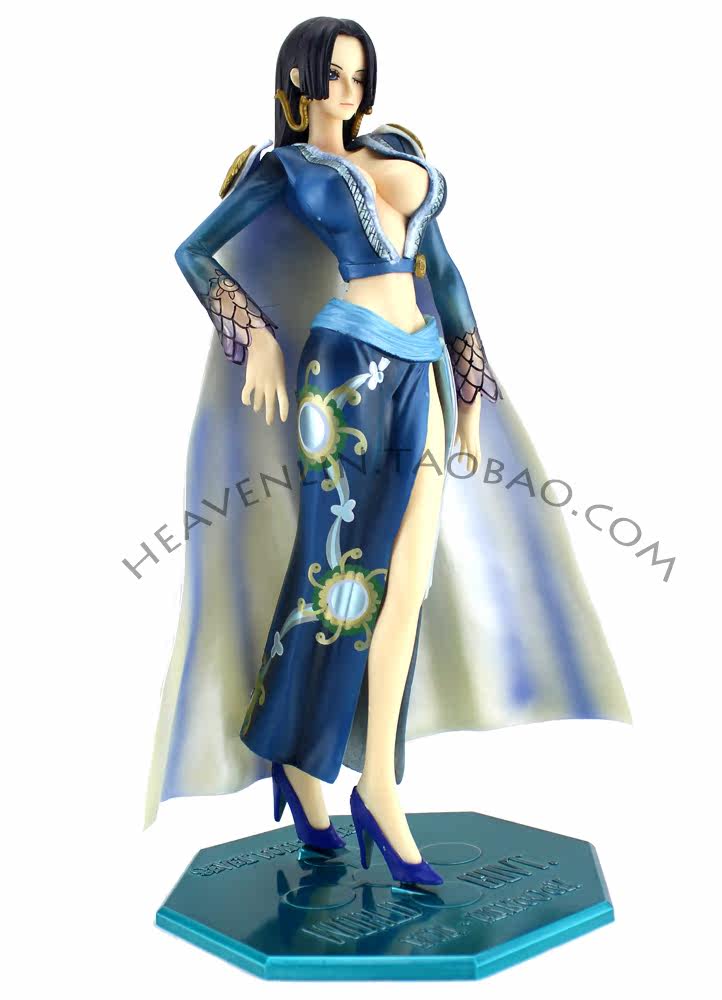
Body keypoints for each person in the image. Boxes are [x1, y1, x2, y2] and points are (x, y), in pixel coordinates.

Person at [143, 17, 632, 886]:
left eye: (358, 74)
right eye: (332, 74)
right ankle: (301, 757)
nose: (348, 90)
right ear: (300, 79)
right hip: (346, 371)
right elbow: (193, 251)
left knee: (411, 579)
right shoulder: (285, 168)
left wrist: (472, 394)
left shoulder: (398, 148)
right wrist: (254, 334)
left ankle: (374, 780)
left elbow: (446, 276)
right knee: (337, 573)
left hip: (422, 367)